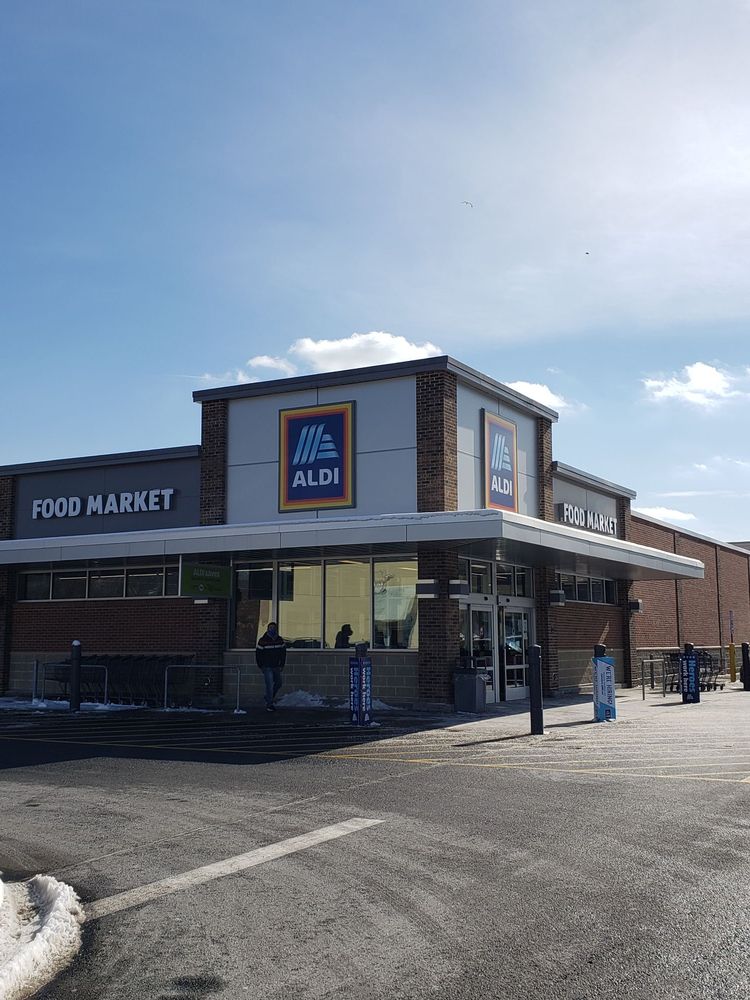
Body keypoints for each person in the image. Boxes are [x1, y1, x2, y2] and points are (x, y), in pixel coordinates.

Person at [255, 622, 287, 711]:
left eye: (274, 628)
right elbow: (258, 654)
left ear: (276, 629)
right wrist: (261, 665)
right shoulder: (263, 640)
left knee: (278, 683)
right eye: (270, 628)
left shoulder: (280, 640)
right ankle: (269, 704)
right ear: (268, 629)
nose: (272, 629)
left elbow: (283, 653)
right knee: (269, 685)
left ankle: (268, 697)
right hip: (267, 666)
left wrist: (282, 664)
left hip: (276, 665)